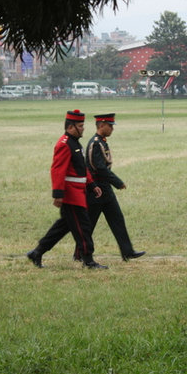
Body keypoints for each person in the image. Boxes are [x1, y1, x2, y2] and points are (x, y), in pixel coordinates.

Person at [27, 110, 108, 269]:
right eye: (80, 125)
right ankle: (88, 260)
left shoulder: (75, 143)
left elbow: (81, 168)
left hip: (79, 193)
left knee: (61, 228)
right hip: (71, 195)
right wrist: (58, 194)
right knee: (83, 227)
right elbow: (58, 170)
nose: (83, 128)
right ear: (70, 127)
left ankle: (37, 252)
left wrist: (92, 185)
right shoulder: (64, 144)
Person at [73, 113, 145, 262]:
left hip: (105, 189)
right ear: (101, 125)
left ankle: (127, 251)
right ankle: (79, 254)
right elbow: (99, 168)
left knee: (117, 219)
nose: (112, 129)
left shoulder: (102, 142)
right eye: (110, 126)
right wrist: (117, 182)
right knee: (89, 224)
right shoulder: (95, 143)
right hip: (96, 191)